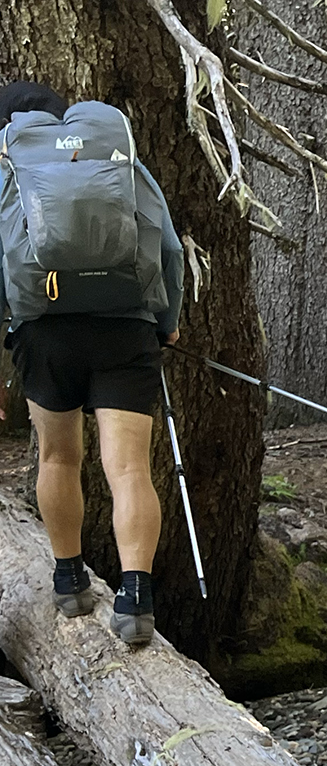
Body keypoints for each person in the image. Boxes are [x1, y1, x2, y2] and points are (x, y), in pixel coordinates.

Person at [0, 81, 183, 646]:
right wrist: (167, 320)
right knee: (128, 467)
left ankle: (69, 579)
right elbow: (169, 247)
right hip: (126, 325)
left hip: (45, 330)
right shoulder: (116, 158)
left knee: (58, 456)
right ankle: (135, 598)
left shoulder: (11, 172)